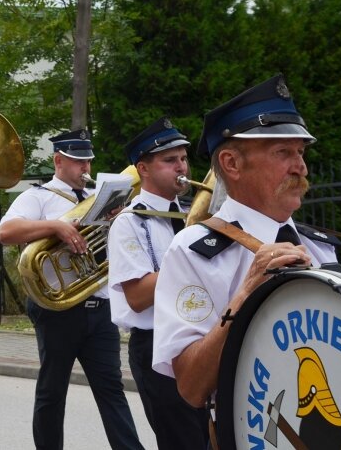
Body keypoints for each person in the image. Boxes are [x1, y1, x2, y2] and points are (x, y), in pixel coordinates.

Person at [152, 74, 341, 409]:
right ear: (232, 164)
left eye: (300, 152)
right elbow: (192, 386)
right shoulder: (191, 252)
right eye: (283, 151)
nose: (300, 166)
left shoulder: (321, 247)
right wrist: (244, 295)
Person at [0, 129, 143, 450]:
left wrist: (120, 220)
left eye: (88, 162)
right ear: (59, 160)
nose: (85, 169)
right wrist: (55, 226)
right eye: (78, 162)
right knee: (53, 391)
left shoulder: (98, 197)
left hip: (99, 305)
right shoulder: (38, 196)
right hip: (56, 308)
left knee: (112, 390)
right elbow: (6, 231)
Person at [107, 117, 209, 448]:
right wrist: (190, 261)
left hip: (200, 337)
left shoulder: (192, 218)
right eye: (169, 160)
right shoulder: (130, 222)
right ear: (144, 169)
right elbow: (137, 296)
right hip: (156, 343)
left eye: (183, 158)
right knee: (182, 441)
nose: (181, 166)